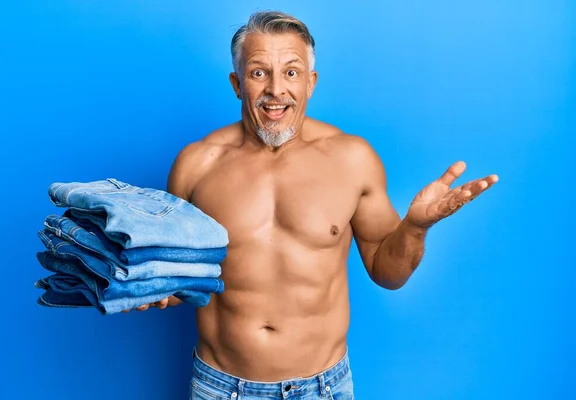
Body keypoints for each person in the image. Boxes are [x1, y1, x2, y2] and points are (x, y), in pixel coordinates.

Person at [125, 11, 499, 399]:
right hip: (222, 387)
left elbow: (389, 274)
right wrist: (151, 288)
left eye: (291, 72)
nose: (276, 90)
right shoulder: (195, 166)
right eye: (258, 73)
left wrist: (415, 227)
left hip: (323, 388)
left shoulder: (352, 160)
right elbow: (180, 276)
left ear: (310, 82)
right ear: (237, 84)